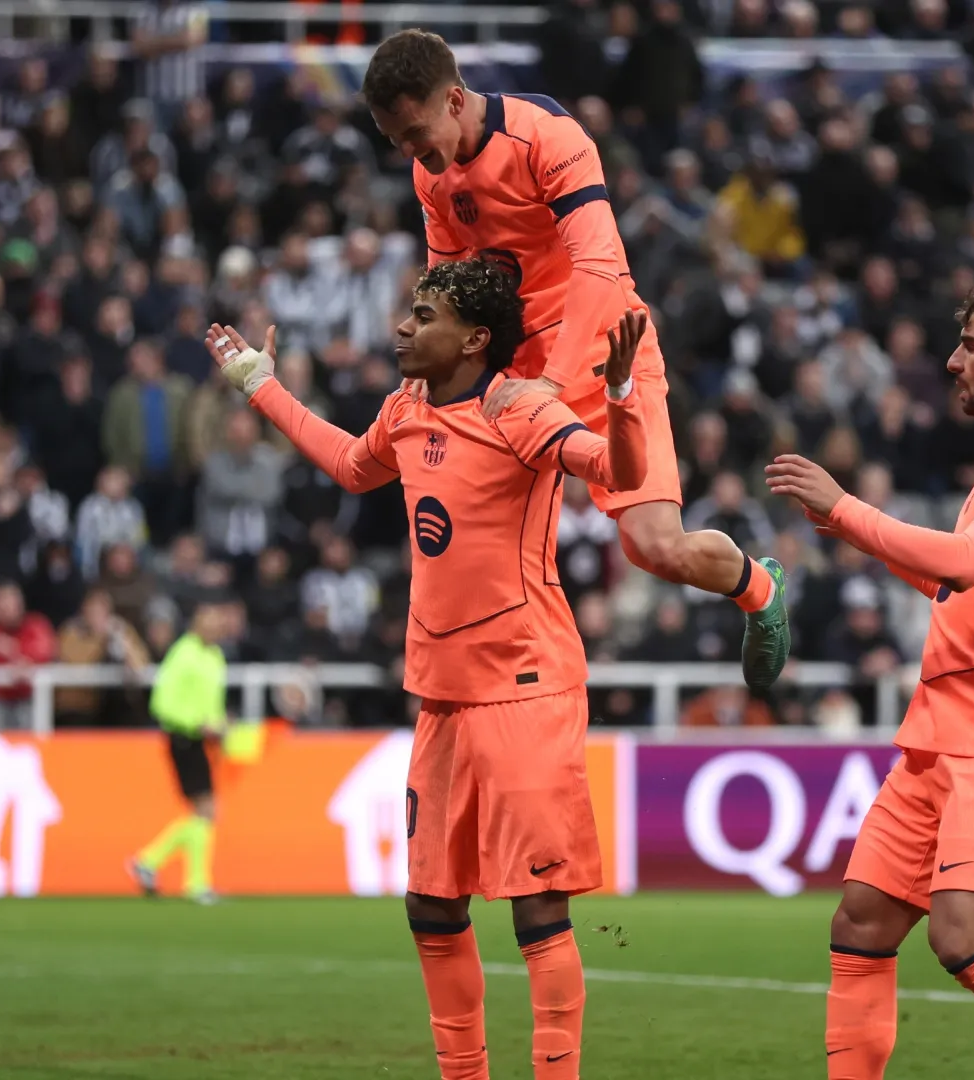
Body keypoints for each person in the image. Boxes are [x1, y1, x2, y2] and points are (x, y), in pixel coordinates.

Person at [206, 258, 647, 1080]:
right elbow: (349, 466)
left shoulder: (523, 411)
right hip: (443, 695)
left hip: (525, 686)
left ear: (475, 339)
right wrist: (260, 386)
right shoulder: (405, 411)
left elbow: (621, 473)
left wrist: (621, 399)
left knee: (536, 912)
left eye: (424, 314)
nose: (403, 327)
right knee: (432, 905)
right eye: (408, 312)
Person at [359, 29, 791, 694]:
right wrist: (432, 372)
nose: (411, 153)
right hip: (515, 371)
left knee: (654, 548)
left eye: (414, 133)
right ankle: (485, 682)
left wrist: (554, 383)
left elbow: (597, 265)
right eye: (396, 142)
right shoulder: (431, 175)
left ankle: (759, 589)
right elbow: (449, 284)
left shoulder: (548, 138)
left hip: (602, 353)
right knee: (467, 522)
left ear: (451, 99)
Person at [766, 277, 974, 1080]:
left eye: (971, 345)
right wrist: (854, 533)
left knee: (962, 937)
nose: (953, 361)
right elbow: (958, 583)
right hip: (939, 732)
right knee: (863, 923)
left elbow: (963, 560)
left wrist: (848, 509)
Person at [128, 588, 238, 904]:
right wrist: (197, 722)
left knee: (204, 810)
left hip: (202, 741)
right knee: (206, 809)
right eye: (212, 622)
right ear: (197, 624)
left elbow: (211, 702)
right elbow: (162, 704)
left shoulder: (214, 656)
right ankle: (163, 867)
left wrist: (220, 725)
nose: (218, 629)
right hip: (183, 737)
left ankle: (154, 865)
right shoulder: (183, 654)